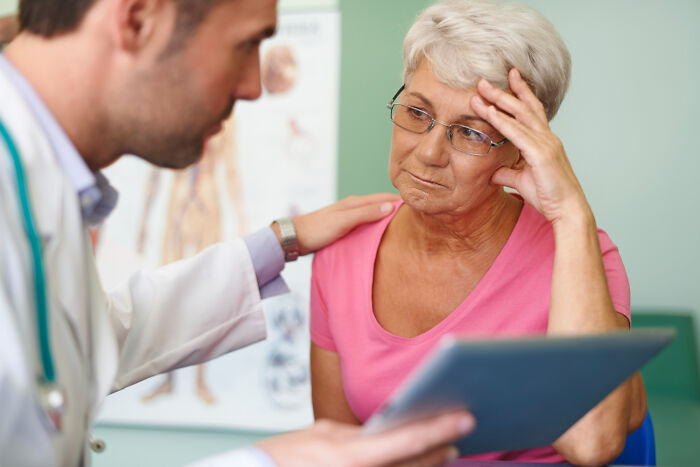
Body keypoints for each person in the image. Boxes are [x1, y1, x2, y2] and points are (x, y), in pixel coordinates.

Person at [0, 1, 476, 466]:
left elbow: (93, 337)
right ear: (138, 19)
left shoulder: (40, 180)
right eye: (246, 43)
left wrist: (280, 243)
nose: (254, 86)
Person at [309, 1, 647, 465]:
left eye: (470, 133)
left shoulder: (582, 252)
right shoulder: (341, 251)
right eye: (416, 111)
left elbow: (592, 443)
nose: (428, 152)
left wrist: (570, 213)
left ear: (521, 151)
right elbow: (336, 454)